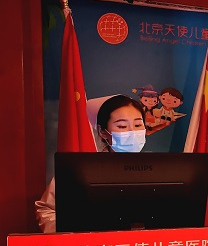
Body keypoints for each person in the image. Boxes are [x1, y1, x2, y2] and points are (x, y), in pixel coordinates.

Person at [35, 95, 147, 233]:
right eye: (122, 126)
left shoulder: (161, 168)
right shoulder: (80, 167)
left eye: (138, 125)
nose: (132, 132)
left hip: (149, 245)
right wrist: (71, 236)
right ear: (103, 132)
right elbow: (46, 209)